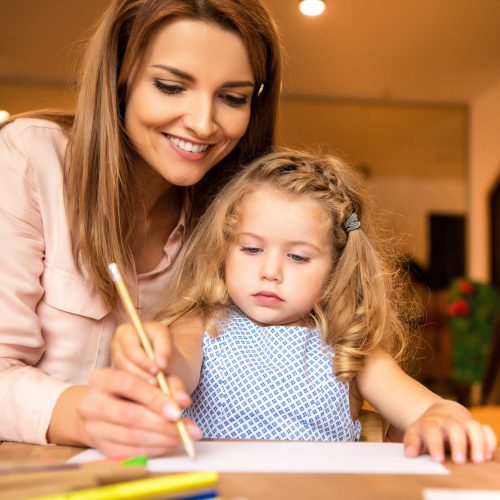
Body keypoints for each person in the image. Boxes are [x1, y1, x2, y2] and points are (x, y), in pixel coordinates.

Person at [0, 0, 281, 454]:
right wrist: (83, 415)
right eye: (171, 87)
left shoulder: (242, 217)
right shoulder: (29, 159)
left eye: (233, 98)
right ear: (119, 80)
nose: (203, 123)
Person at [113, 149, 498, 462]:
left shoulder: (349, 349)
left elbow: (429, 408)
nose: (270, 272)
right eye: (251, 249)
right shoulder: (200, 325)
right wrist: (153, 353)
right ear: (222, 250)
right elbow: (174, 369)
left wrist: (446, 418)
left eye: (298, 257)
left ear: (335, 269)